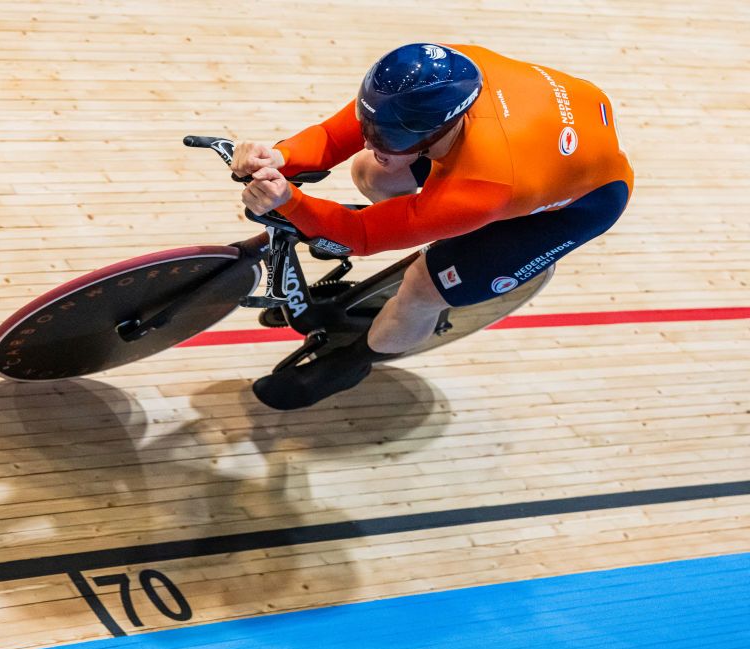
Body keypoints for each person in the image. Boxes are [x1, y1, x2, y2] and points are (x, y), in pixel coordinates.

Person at [232, 42, 634, 410]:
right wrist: (280, 156)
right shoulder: (437, 73)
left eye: (386, 136)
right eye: (371, 126)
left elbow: (362, 236)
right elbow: (333, 136)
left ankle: (354, 362)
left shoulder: (484, 184)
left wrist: (291, 202)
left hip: (581, 201)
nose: (371, 140)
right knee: (374, 170)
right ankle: (430, 231)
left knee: (423, 287)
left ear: (439, 127)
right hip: (540, 141)